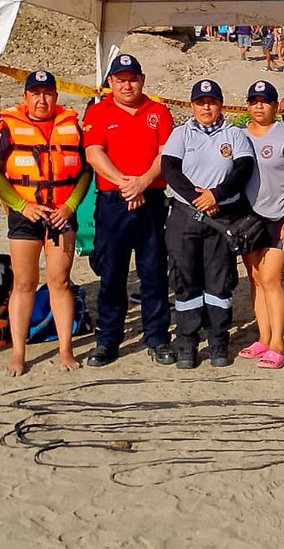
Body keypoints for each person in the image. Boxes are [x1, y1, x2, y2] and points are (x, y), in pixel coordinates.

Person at [0, 70, 92, 376]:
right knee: (24, 283)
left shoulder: (72, 125)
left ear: (56, 97)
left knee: (59, 282)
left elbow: (86, 170)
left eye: (47, 93)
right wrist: (22, 205)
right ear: (25, 97)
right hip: (26, 214)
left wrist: (71, 205)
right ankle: (18, 353)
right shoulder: (9, 127)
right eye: (35, 94)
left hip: (62, 213)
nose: (42, 99)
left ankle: (65, 349)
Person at [82, 53, 176, 367]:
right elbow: (94, 154)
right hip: (113, 202)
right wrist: (126, 183)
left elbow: (166, 154)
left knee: (153, 272)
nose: (127, 84)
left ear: (142, 80)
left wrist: (143, 182)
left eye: (132, 78)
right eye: (120, 79)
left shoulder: (158, 111)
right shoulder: (98, 111)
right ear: (110, 82)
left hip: (150, 200)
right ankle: (108, 339)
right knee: (112, 273)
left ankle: (157, 337)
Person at [160, 79, 255, 369]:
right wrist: (196, 198)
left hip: (221, 217)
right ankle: (187, 342)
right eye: (201, 103)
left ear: (220, 105)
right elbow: (170, 169)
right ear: (192, 106)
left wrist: (217, 194)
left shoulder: (234, 134)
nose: (206, 107)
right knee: (185, 280)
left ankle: (217, 340)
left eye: (211, 102)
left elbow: (243, 168)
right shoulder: (181, 134)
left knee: (218, 281)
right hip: (185, 216)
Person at [238, 80, 284, 370]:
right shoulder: (239, 135)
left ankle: (279, 343)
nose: (258, 106)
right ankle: (263, 337)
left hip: (277, 216)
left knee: (271, 279)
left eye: (264, 101)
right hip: (247, 216)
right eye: (254, 101)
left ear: (275, 105)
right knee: (255, 279)